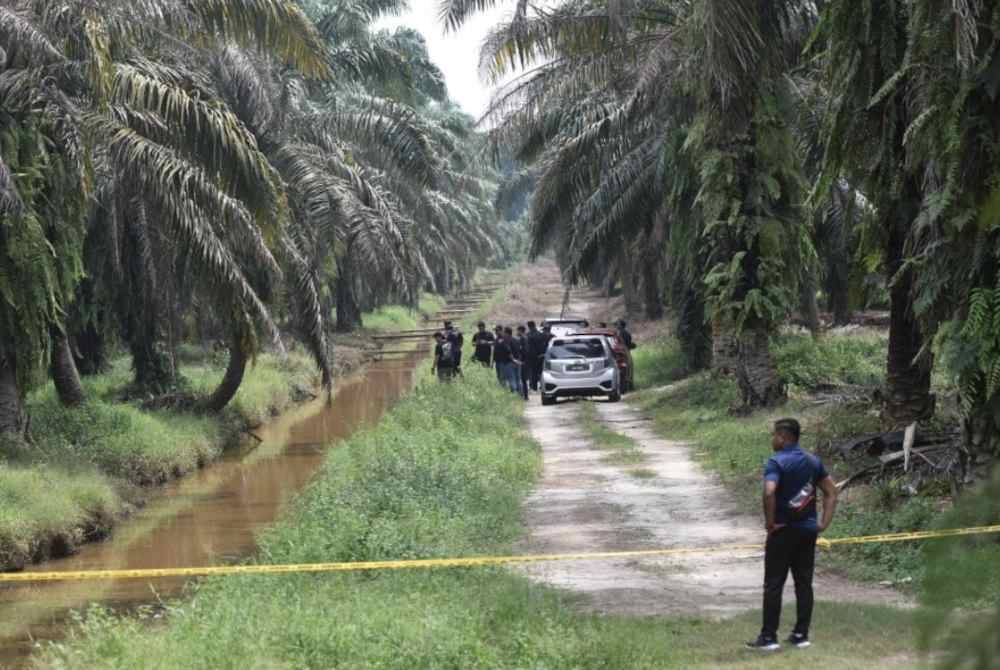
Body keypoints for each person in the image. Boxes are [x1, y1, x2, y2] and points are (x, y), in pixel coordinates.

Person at [747, 418, 839, 652]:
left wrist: (770, 523)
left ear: (783, 437)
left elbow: (769, 492)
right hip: (807, 531)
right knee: (804, 583)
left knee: (774, 584)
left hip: (783, 531)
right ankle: (801, 635)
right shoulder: (812, 461)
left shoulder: (776, 462)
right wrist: (823, 524)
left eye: (774, 435)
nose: (772, 440)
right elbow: (831, 491)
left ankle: (769, 638)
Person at [525, 320, 548, 392]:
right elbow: (544, 345)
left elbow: (527, 347)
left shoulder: (528, 335)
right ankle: (542, 386)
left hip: (532, 357)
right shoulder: (540, 334)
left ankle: (534, 387)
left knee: (533, 372)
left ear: (529, 327)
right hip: (541, 356)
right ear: (534, 325)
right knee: (541, 372)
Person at [514, 325, 529, 399]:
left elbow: (524, 351)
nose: (517, 332)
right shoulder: (525, 338)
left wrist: (522, 360)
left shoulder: (523, 339)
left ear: (520, 331)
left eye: (518, 331)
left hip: (523, 361)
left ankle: (525, 395)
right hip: (524, 361)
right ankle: (525, 395)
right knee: (523, 379)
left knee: (522, 379)